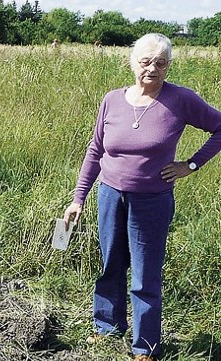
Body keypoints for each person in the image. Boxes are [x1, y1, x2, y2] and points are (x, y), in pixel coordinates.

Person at [63, 33, 221, 361]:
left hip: (152, 201)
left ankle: (145, 346)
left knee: (145, 274)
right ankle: (107, 326)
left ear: (168, 67)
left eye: (161, 63)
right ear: (132, 62)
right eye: (145, 61)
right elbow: (96, 150)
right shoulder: (112, 100)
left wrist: (191, 164)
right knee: (110, 265)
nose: (152, 69)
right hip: (108, 195)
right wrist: (79, 197)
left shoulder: (180, 99)